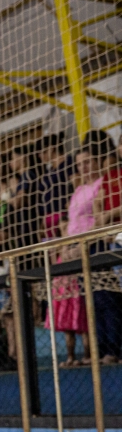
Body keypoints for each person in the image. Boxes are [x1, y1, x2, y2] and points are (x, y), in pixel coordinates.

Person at [48, 149, 97, 367]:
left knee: (82, 307)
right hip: (68, 253)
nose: (82, 168)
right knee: (65, 305)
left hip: (87, 248)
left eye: (87, 162)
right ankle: (70, 356)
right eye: (79, 164)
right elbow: (68, 226)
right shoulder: (77, 192)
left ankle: (89, 353)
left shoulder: (98, 186)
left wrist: (78, 246)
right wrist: (65, 248)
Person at [86, 131, 122, 363]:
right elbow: (98, 202)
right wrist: (103, 221)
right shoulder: (110, 177)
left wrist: (110, 215)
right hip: (115, 237)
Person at [38, 133, 73, 240]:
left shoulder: (68, 162)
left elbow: (76, 183)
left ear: (51, 148)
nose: (40, 155)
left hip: (62, 216)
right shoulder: (48, 171)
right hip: (48, 218)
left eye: (43, 152)